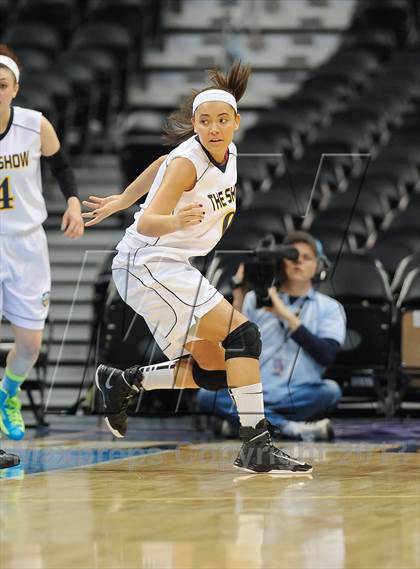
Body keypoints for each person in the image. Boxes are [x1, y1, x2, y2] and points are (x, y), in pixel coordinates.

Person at [83, 62, 312, 474]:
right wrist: (173, 219)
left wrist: (121, 196)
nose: (214, 128)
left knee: (212, 371)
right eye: (205, 121)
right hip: (148, 265)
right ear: (195, 123)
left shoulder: (225, 152)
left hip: (170, 265)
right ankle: (256, 446)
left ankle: (123, 381)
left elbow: (160, 164)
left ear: (236, 122)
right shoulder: (191, 162)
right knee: (244, 335)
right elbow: (150, 221)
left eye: (222, 120)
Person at [0, 45, 84, 441]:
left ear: (15, 89)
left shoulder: (34, 125)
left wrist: (72, 203)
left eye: (2, 85)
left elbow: (61, 165)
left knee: (30, 346)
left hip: (28, 245)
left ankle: (8, 393)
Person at [197, 231, 346, 441]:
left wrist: (283, 313)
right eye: (292, 257)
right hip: (254, 389)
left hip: (296, 393)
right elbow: (228, 340)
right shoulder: (253, 299)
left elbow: (326, 355)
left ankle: (243, 423)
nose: (298, 262)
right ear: (282, 263)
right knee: (206, 396)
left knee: (330, 391)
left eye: (306, 258)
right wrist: (238, 293)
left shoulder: (331, 307)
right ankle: (291, 428)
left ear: (319, 266)